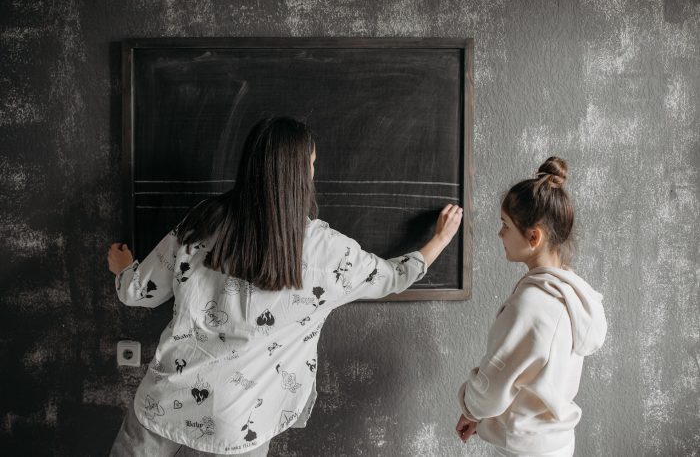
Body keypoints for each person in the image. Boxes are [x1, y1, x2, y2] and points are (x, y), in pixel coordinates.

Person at [108, 117, 463, 456]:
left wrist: (125, 269)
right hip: (244, 417)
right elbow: (391, 277)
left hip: (167, 400)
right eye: (312, 163)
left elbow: (139, 292)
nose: (313, 171)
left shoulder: (203, 221)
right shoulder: (326, 251)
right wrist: (439, 241)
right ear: (299, 174)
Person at [455, 157, 607, 457]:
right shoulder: (572, 296)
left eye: (505, 225)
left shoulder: (533, 305)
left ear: (533, 237)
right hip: (557, 444)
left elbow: (495, 380)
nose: (500, 234)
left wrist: (470, 409)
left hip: (525, 449)